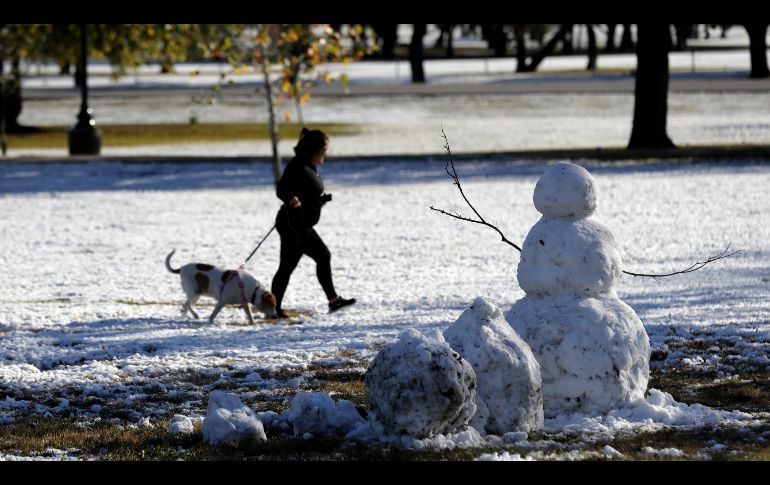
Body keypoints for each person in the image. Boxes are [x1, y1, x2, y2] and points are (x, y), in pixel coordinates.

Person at [270, 128, 356, 318]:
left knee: (295, 264)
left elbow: (306, 191)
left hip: (300, 225)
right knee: (299, 263)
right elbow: (281, 189)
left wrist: (319, 201)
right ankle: (273, 308)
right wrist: (292, 199)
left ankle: (332, 301)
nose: (326, 153)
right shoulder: (297, 166)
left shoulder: (308, 166)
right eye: (324, 149)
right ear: (314, 149)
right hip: (294, 225)